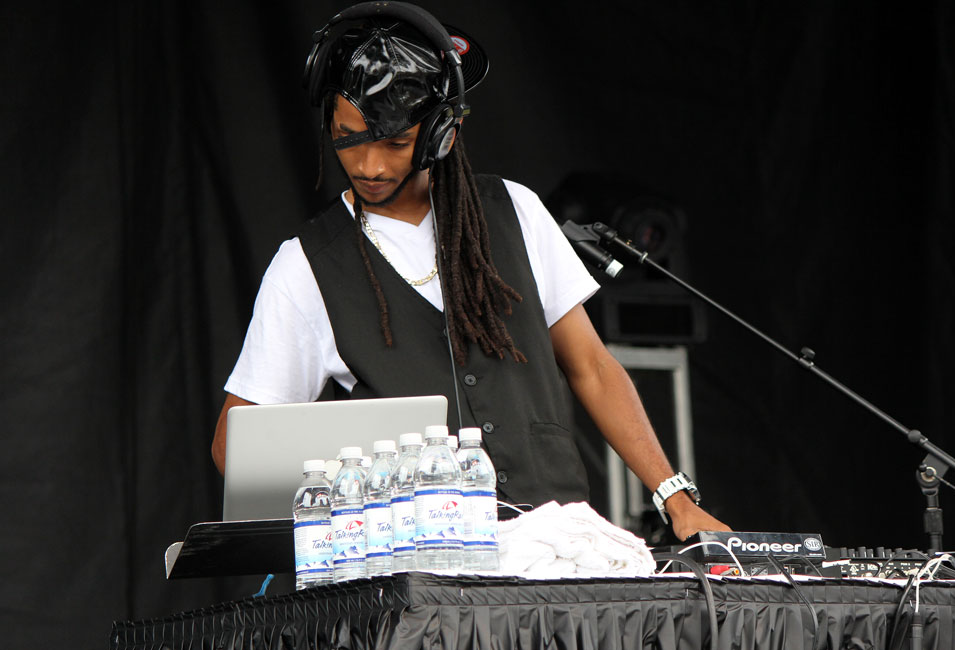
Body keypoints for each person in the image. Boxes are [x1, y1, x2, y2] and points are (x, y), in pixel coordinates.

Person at [212, 1, 729, 541]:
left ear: (442, 133)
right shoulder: (305, 266)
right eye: (347, 138)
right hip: (416, 579)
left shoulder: (516, 211)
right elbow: (234, 447)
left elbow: (593, 368)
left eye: (393, 143)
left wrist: (675, 496)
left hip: (557, 556)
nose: (368, 165)